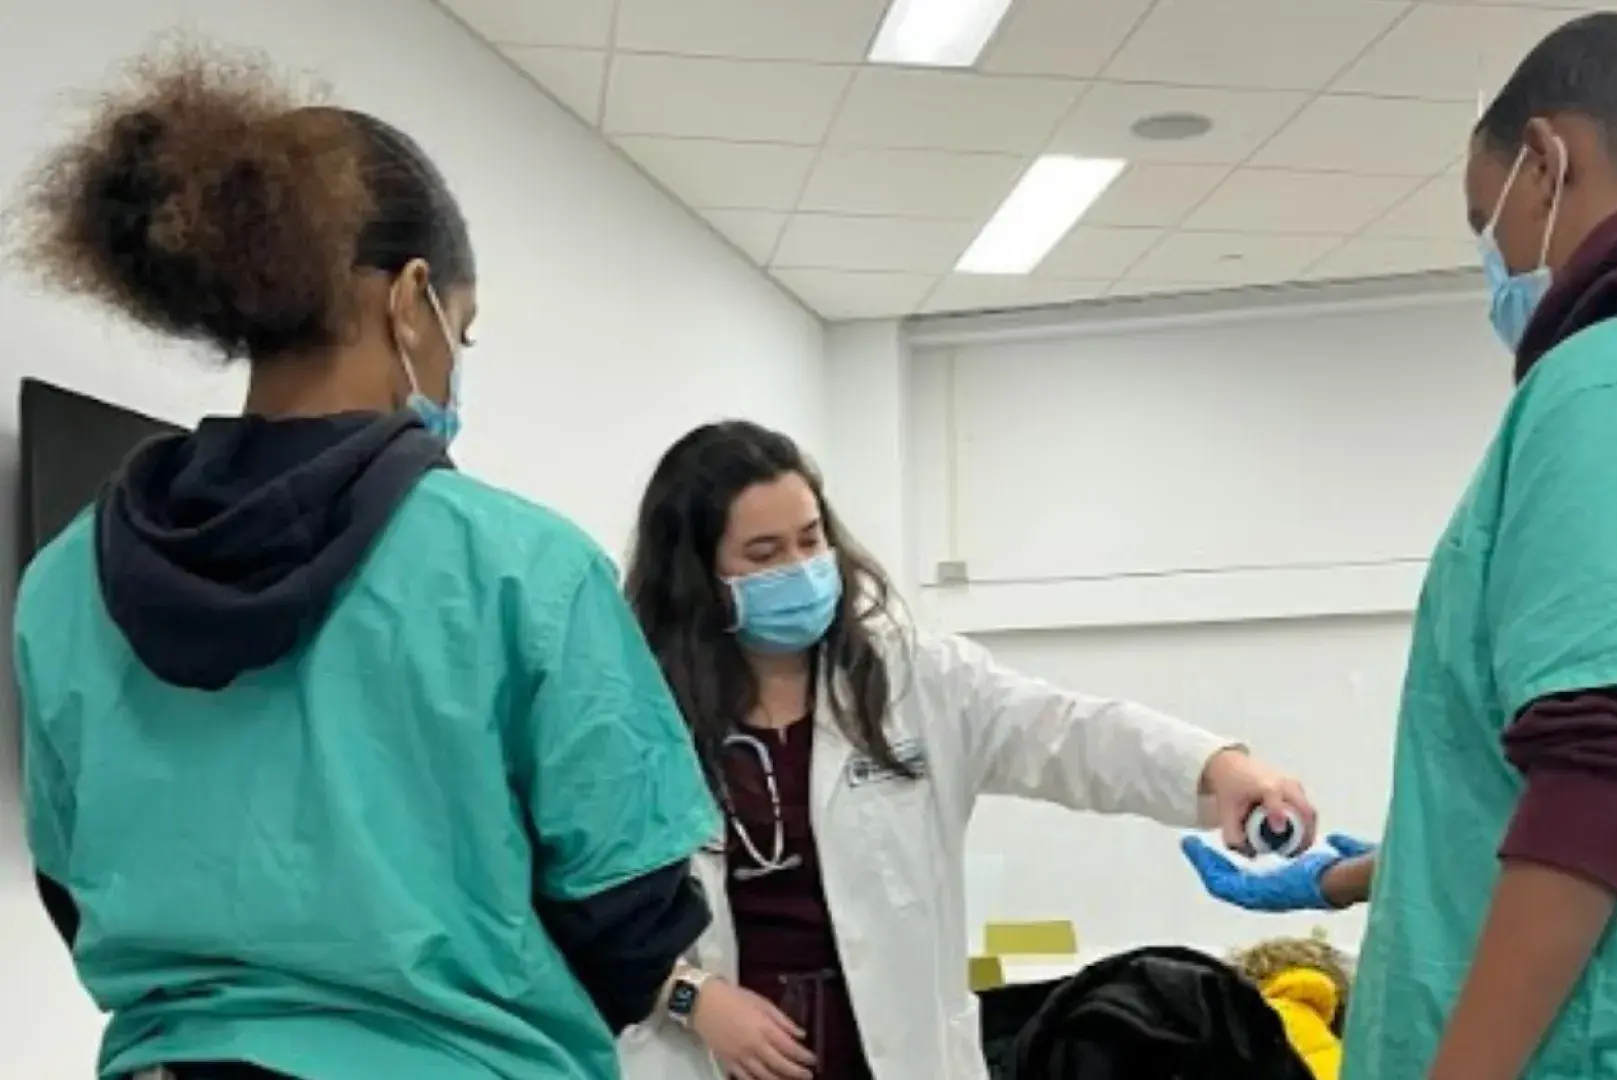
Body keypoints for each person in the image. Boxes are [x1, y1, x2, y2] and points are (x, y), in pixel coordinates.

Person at [12, 44, 715, 1080]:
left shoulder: (65, 581)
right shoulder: (525, 571)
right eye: (460, 331)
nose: (453, 360)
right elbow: (628, 919)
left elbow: (72, 887)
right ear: (411, 299)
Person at [1196, 12, 1617, 1079]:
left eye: (1489, 219)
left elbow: (1606, 766)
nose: (1497, 260)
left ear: (1548, 160)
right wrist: (1381, 872)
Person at [615, 419, 1319, 1080]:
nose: (800, 569)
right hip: (713, 1054)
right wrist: (691, 996)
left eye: (810, 539)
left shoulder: (914, 682)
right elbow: (588, 903)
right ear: (696, 573)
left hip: (897, 1053)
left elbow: (1071, 733)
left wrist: (1217, 767)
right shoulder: (635, 715)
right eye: (765, 555)